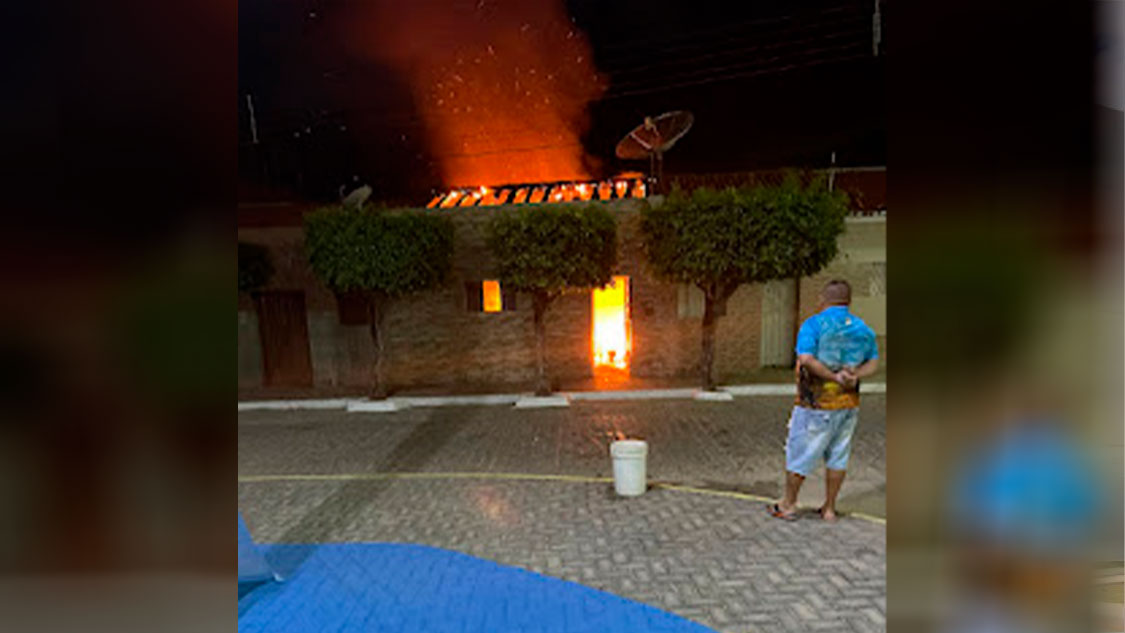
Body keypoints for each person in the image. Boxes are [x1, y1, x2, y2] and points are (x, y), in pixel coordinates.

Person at [769, 279, 878, 522]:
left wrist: (833, 376)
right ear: (848, 301)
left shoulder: (814, 325)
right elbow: (873, 362)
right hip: (848, 405)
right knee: (838, 456)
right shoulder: (862, 328)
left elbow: (806, 359)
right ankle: (829, 508)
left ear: (823, 299)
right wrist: (855, 375)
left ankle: (788, 504)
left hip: (815, 405)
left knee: (800, 453)